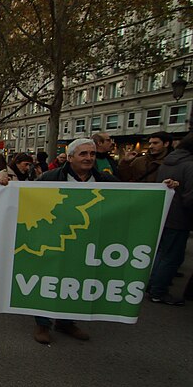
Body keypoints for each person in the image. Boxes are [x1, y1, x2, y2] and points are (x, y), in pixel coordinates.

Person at [32, 139, 117, 344]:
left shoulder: (105, 180)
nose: (89, 158)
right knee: (49, 279)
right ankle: (43, 324)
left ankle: (66, 321)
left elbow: (134, 197)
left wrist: (164, 188)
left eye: (92, 154)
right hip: (55, 238)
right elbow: (26, 196)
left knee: (76, 280)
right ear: (70, 158)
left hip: (87, 241)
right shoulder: (49, 178)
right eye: (83, 154)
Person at [147, 134, 193, 305]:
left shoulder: (167, 163)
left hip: (166, 214)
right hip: (179, 218)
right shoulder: (189, 166)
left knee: (162, 254)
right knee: (170, 256)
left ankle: (153, 285)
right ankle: (158, 291)